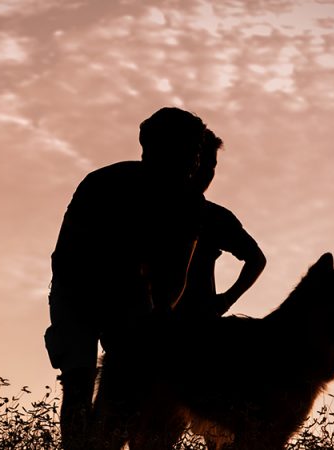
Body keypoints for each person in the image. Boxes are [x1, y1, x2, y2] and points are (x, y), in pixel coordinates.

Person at [44, 107, 207, 450]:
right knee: (79, 379)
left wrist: (158, 316)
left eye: (196, 153)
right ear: (153, 149)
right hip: (79, 289)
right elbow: (69, 258)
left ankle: (101, 441)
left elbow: (174, 278)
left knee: (127, 382)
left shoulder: (187, 205)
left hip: (128, 293)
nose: (194, 162)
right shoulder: (103, 184)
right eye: (188, 152)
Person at [174, 129, 266, 319]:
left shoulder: (216, 217)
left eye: (212, 166)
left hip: (198, 325)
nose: (207, 173)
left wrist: (226, 300)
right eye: (202, 163)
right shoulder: (148, 205)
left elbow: (256, 259)